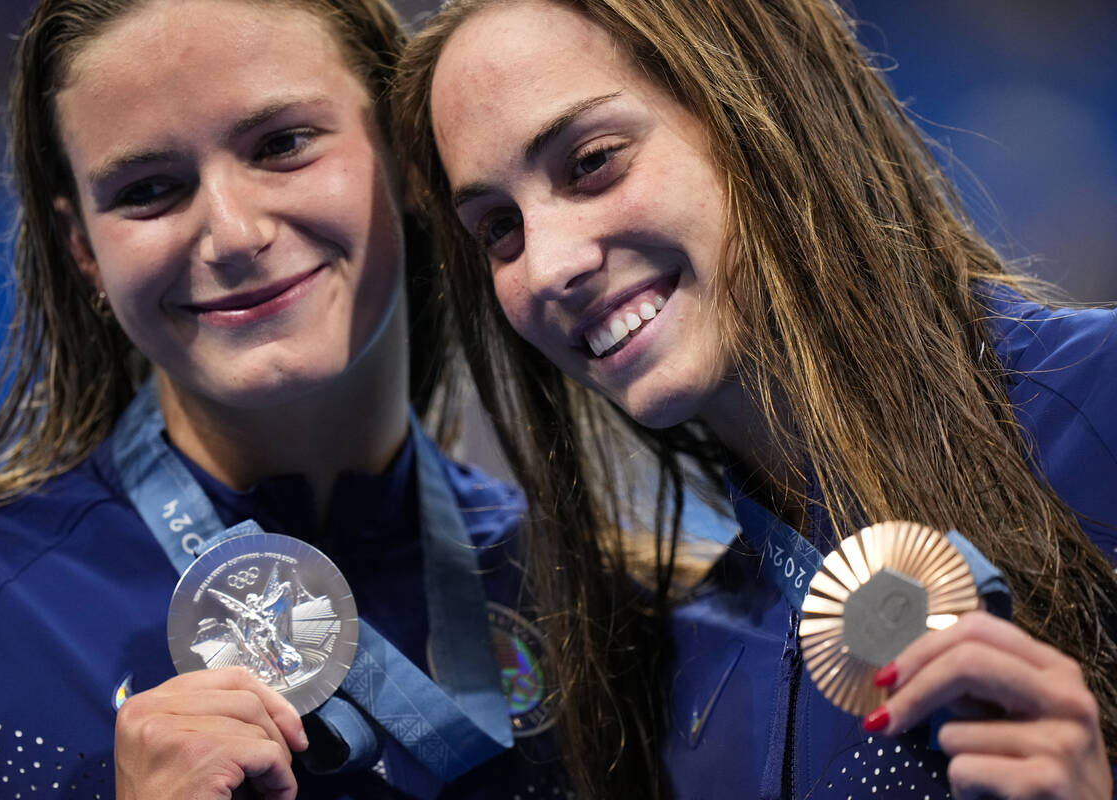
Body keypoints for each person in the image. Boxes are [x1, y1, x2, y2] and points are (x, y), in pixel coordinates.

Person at [393, 0, 1117, 797]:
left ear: (759, 103)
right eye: (499, 227)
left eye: (593, 161)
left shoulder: (1099, 399)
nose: (547, 267)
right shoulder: (682, 668)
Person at [0, 0, 585, 798]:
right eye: (149, 189)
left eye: (283, 144)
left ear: (408, 154)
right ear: (82, 251)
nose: (233, 234)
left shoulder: (586, 586)